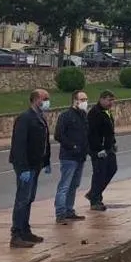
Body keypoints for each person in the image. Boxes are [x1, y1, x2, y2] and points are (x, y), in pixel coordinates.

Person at [8, 88, 52, 248]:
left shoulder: (40, 117)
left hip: (36, 164)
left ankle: (25, 230)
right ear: (35, 100)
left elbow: (44, 142)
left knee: (29, 198)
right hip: (25, 166)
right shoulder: (25, 118)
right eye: (45, 98)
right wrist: (23, 167)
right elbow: (19, 144)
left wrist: (46, 161)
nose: (47, 101)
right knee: (22, 199)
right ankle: (16, 234)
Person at [53, 90, 90, 224]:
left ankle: (69, 210)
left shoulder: (83, 116)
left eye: (86, 99)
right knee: (65, 185)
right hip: (69, 157)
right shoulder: (66, 116)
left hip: (80, 157)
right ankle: (60, 212)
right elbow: (59, 135)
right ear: (75, 101)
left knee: (74, 184)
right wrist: (72, 146)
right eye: (82, 99)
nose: (85, 102)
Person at [85, 90, 118, 211]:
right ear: (102, 99)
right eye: (109, 100)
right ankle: (95, 200)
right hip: (98, 150)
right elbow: (92, 134)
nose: (111, 103)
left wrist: (113, 143)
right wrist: (99, 149)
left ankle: (93, 193)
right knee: (99, 173)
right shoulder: (95, 113)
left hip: (108, 148)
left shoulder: (106, 112)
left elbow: (109, 131)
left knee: (112, 169)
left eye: (113, 100)